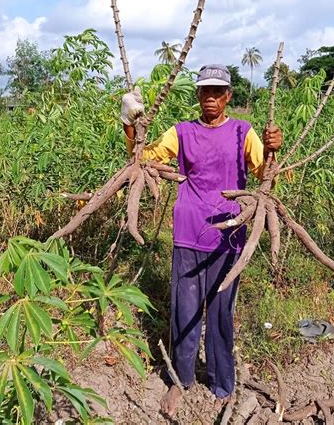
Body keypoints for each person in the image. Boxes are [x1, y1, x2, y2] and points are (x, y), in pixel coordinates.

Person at [121, 64, 282, 417]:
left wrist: (274, 149)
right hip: (189, 231)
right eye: (205, 91)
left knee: (222, 312)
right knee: (185, 310)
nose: (211, 97)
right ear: (197, 95)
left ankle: (223, 382)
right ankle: (181, 380)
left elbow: (265, 174)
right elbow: (143, 158)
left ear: (228, 97)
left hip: (229, 236)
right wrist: (130, 123)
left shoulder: (243, 132)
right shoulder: (181, 132)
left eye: (217, 91)